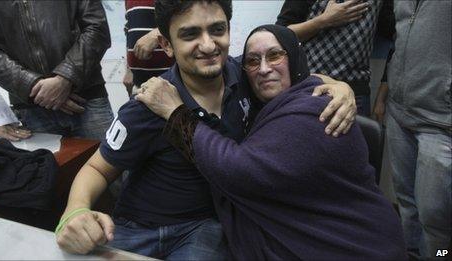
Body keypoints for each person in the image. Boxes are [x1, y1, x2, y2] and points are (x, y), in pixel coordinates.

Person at [55, 0, 356, 259]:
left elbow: (297, 76)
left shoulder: (245, 77)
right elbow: (97, 168)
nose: (209, 45)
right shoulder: (149, 102)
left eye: (217, 29)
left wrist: (339, 87)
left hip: (205, 225)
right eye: (190, 34)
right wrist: (76, 211)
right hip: (138, 226)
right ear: (167, 45)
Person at [137, 24, 407, 260]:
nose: (264, 68)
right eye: (253, 61)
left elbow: (237, 171)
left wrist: (175, 112)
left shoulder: (314, 112)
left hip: (352, 248)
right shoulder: (273, 100)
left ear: (296, 58)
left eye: (275, 55)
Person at [372, 1, 451, 258]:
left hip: (440, 121)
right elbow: (398, 40)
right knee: (406, 202)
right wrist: (384, 90)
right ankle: (409, 254)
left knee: (435, 216)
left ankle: (439, 255)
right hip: (399, 113)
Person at [0, 1, 114, 139]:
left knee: (110, 159)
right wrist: (32, 85)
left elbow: (97, 28)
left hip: (85, 97)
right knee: (48, 161)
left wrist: (65, 78)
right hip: (31, 106)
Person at [275, 0, 395, 116]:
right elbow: (280, 35)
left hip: (356, 91)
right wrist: (323, 21)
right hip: (311, 86)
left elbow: (395, 32)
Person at [122, 0, 174, 96]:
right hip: (139, 86)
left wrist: (158, 33)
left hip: (174, 85)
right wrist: (129, 69)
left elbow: (191, 16)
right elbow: (129, 28)